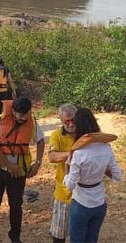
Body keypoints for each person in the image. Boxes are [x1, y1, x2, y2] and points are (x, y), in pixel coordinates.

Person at [0, 97, 45, 243]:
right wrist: (10, 167)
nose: (22, 118)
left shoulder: (32, 122)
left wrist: (38, 163)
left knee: (16, 206)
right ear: (13, 111)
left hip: (19, 172)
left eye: (25, 114)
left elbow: (40, 141)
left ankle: (15, 237)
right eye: (19, 115)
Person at [63, 108, 123, 243]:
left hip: (81, 203)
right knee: (92, 239)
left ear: (78, 126)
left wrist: (66, 173)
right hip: (100, 202)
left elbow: (70, 186)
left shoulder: (77, 153)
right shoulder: (106, 148)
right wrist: (102, 169)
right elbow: (118, 176)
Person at [48, 104, 77, 243]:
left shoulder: (86, 133)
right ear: (61, 120)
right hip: (63, 192)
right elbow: (52, 157)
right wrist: (75, 154)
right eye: (67, 121)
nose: (71, 124)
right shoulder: (56, 135)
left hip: (83, 194)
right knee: (59, 234)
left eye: (73, 120)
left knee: (79, 235)